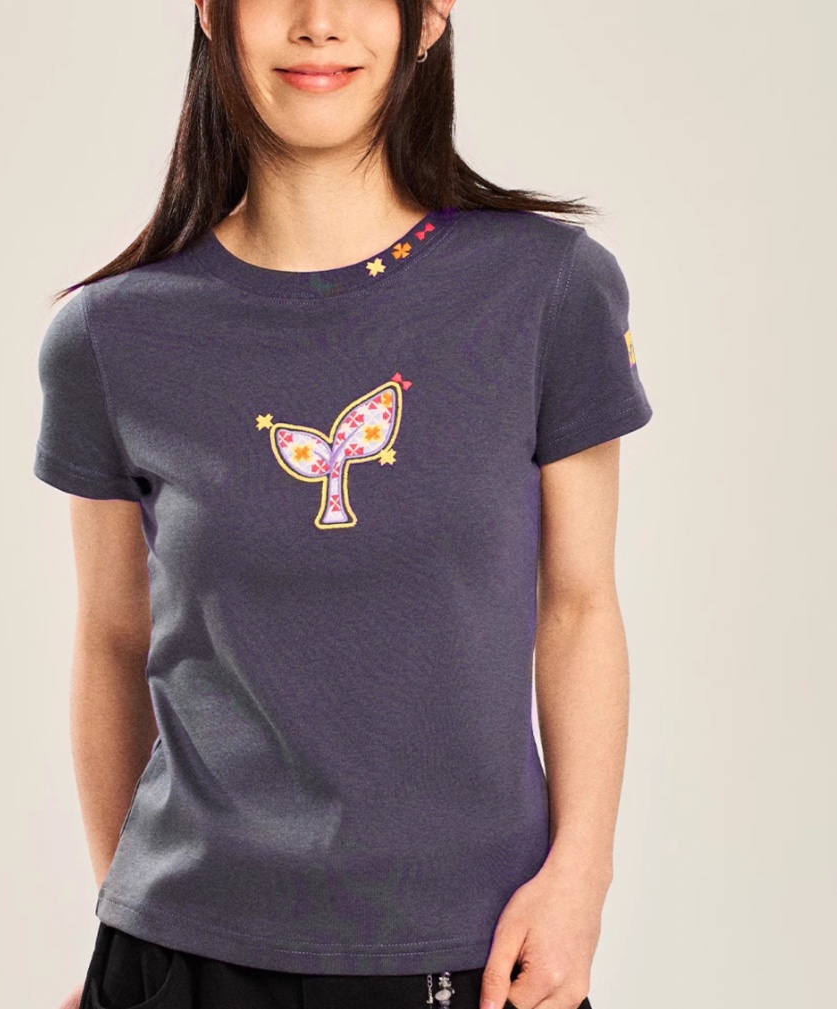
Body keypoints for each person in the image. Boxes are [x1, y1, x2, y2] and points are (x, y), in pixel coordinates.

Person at [32, 1, 654, 1007]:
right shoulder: (111, 334)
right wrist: (128, 914)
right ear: (211, 12)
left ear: (430, 15)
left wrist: (579, 876)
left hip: (477, 942)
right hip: (185, 947)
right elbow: (112, 637)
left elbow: (579, 605)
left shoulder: (547, 288)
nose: (318, 22)